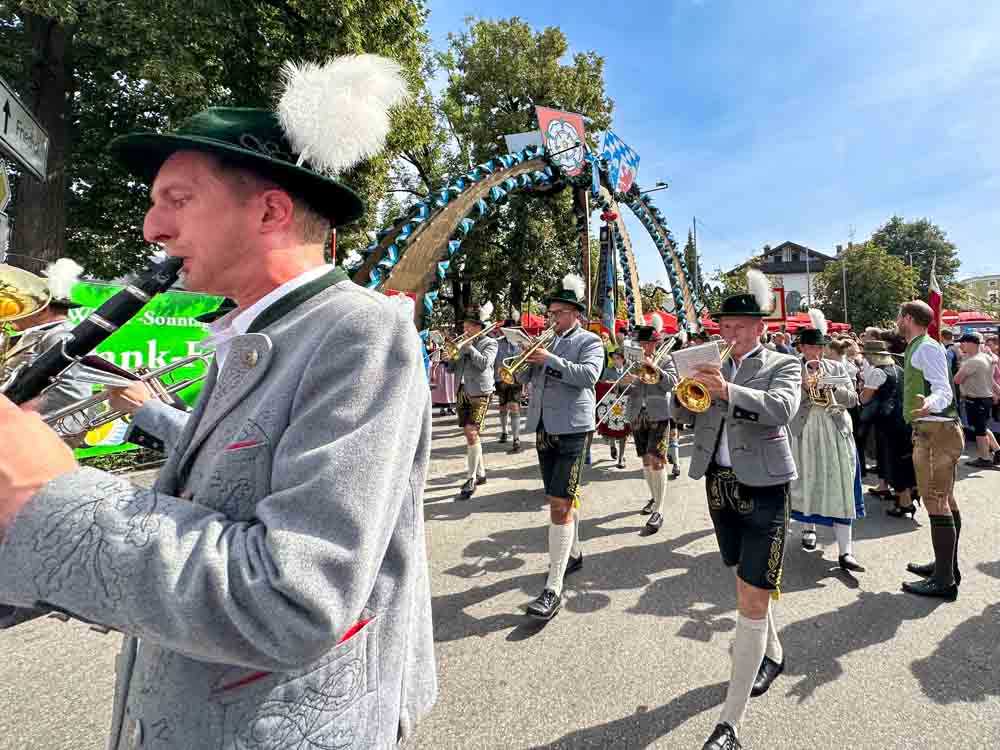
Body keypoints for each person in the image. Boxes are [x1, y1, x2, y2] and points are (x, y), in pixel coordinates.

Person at [0, 56, 437, 748]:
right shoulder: (249, 334)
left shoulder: (358, 331)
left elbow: (295, 599)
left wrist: (45, 498)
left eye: (177, 200)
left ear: (269, 210)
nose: (151, 228)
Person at [672, 270, 801, 750]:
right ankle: (774, 651)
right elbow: (684, 413)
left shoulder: (781, 364)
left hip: (766, 485)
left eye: (739, 327)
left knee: (751, 597)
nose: (729, 334)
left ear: (760, 327)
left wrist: (726, 389)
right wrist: (682, 389)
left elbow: (782, 408)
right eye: (725, 326)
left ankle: (730, 723)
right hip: (718, 483)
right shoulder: (707, 359)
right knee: (744, 581)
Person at [517, 274, 604, 620]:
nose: (551, 319)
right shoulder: (546, 342)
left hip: (571, 428)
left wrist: (548, 358)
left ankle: (553, 587)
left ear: (574, 314)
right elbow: (525, 379)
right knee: (560, 498)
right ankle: (575, 552)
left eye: (557, 313)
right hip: (543, 426)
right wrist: (524, 363)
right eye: (550, 313)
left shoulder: (590, 341)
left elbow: (588, 377)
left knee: (558, 504)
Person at [896, 301, 962, 601]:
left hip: (935, 431)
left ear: (907, 318)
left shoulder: (926, 347)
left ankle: (945, 580)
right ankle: (947, 567)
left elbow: (944, 390)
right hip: (935, 430)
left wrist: (929, 404)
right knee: (944, 499)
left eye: (899, 317)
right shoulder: (919, 345)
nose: (897, 321)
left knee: (937, 502)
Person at [789, 311, 865, 573]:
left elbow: (854, 399)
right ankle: (809, 529)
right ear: (801, 347)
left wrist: (831, 389)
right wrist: (802, 387)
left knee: (841, 482)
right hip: (805, 429)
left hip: (834, 428)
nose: (815, 351)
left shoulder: (836, 367)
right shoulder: (791, 368)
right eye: (810, 346)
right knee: (808, 479)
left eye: (819, 346)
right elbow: (785, 405)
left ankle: (846, 552)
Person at [2, 259, 92, 445]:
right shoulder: (41, 335)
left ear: (43, 309)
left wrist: (12, 409)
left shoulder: (62, 335)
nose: (18, 312)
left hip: (48, 430)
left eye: (27, 305)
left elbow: (70, 392)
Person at [624, 314, 679, 533]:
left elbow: (672, 384)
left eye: (648, 343)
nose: (645, 346)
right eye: (642, 343)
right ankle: (654, 498)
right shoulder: (632, 362)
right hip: (638, 412)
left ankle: (659, 509)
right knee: (646, 460)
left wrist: (654, 369)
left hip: (659, 413)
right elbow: (626, 389)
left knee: (657, 461)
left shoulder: (665, 359)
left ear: (655, 343)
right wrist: (627, 382)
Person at [858, 340, 917, 516]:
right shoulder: (898, 369)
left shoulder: (877, 372)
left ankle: (904, 502)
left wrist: (861, 390)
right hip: (903, 419)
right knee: (904, 459)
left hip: (888, 422)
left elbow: (864, 399)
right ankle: (910, 493)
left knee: (895, 461)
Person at [449, 302, 498, 499]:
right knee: (471, 435)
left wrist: (469, 348)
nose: (465, 329)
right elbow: (453, 369)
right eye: (465, 325)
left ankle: (470, 479)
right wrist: (449, 358)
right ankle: (481, 473)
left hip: (480, 392)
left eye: (470, 325)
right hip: (462, 390)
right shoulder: (462, 342)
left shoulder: (490, 343)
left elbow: (484, 364)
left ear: (479, 327)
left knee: (471, 433)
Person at [953, 332, 1000, 467]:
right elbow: (990, 380)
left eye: (963, 342)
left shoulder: (973, 361)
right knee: (983, 427)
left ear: (971, 344)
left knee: (980, 432)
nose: (960, 345)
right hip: (985, 398)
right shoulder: (986, 357)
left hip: (976, 399)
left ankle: (984, 458)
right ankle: (997, 450)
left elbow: (957, 379)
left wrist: (962, 364)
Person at [494, 313, 525, 453]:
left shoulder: (521, 343)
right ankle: (504, 431)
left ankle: (516, 438)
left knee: (514, 407)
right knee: (502, 407)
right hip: (500, 379)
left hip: (516, 380)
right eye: (508, 330)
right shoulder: (497, 342)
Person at [598, 348, 631, 468]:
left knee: (624, 433)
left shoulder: (629, 370)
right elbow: (601, 383)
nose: (615, 360)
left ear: (623, 359)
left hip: (626, 404)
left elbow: (633, 385)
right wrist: (611, 383)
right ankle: (612, 445)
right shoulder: (608, 370)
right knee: (611, 430)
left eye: (618, 358)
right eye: (613, 358)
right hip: (611, 404)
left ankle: (621, 458)